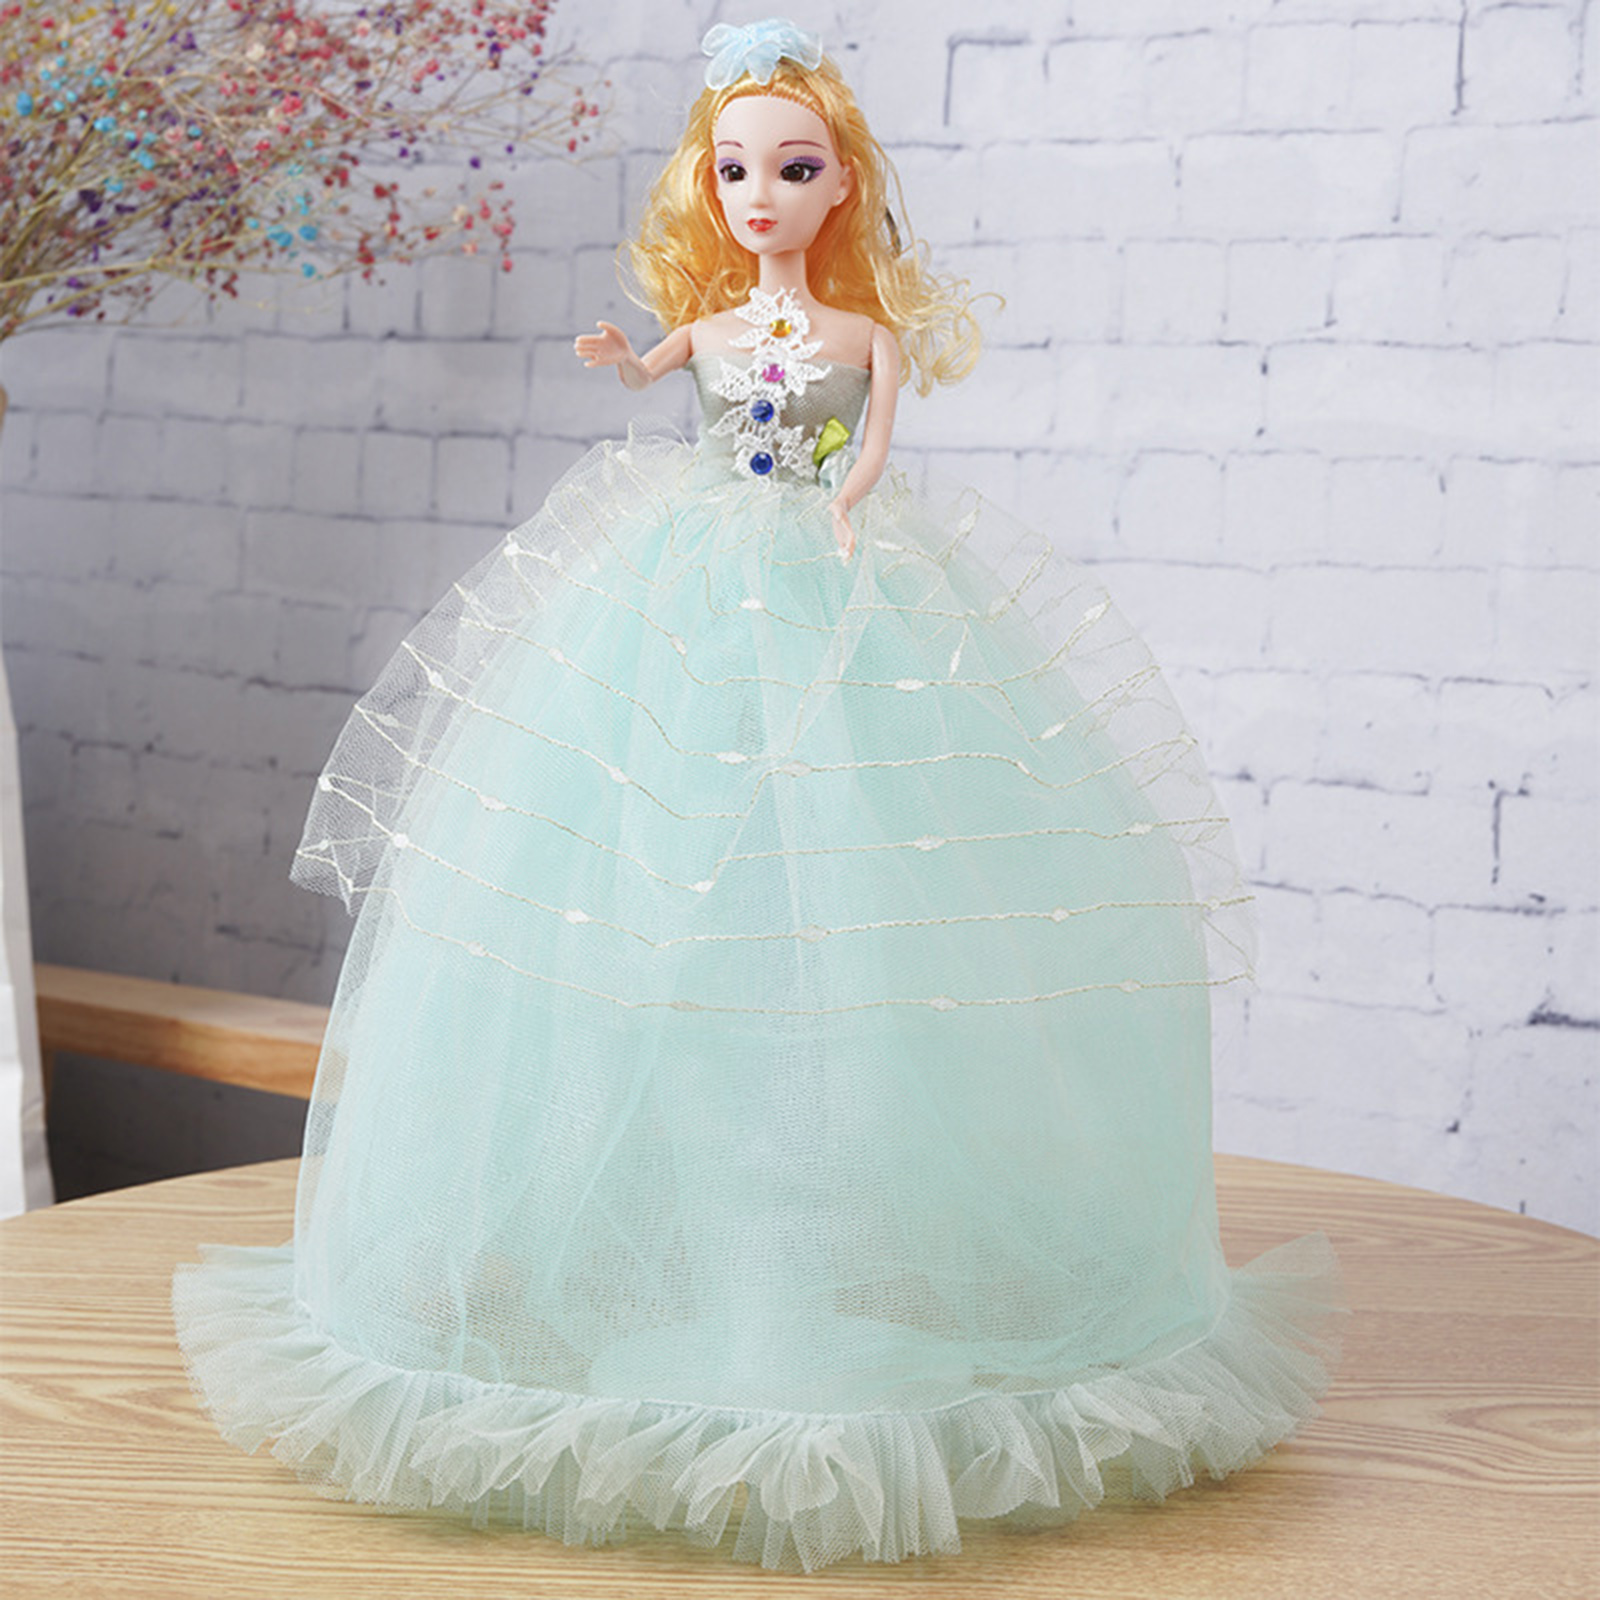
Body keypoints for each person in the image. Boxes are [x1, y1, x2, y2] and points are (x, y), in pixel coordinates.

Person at [175, 20, 1341, 1572]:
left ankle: (825, 1234)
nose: (762, 194)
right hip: (689, 591)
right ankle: (678, 1237)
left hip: (846, 590)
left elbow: (867, 454)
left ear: (841, 182)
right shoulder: (713, 327)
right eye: (736, 170)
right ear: (706, 186)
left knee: (861, 872)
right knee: (663, 858)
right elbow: (659, 373)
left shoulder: (861, 332)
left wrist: (848, 502)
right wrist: (620, 359)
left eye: (793, 167)